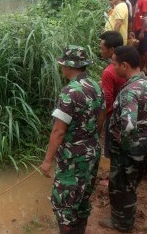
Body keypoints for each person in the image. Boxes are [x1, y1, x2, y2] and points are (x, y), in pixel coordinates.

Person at [40, 46, 105, 234]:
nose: (61, 68)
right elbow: (101, 116)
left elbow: (59, 131)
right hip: (92, 152)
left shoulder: (69, 92)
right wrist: (89, 137)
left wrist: (47, 161)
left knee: (64, 204)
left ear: (68, 66)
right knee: (83, 198)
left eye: (62, 65)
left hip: (73, 158)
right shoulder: (95, 86)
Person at [99, 46, 147, 232]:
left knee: (122, 187)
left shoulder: (129, 92)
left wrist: (122, 144)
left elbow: (129, 125)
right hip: (144, 143)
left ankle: (122, 224)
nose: (112, 67)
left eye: (114, 63)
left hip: (128, 149)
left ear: (124, 65)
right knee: (130, 185)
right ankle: (125, 218)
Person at [99, 31, 127, 158]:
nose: (100, 51)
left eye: (102, 48)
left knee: (111, 150)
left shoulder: (109, 72)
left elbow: (107, 101)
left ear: (112, 50)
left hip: (114, 115)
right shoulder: (128, 63)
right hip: (126, 111)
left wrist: (100, 123)